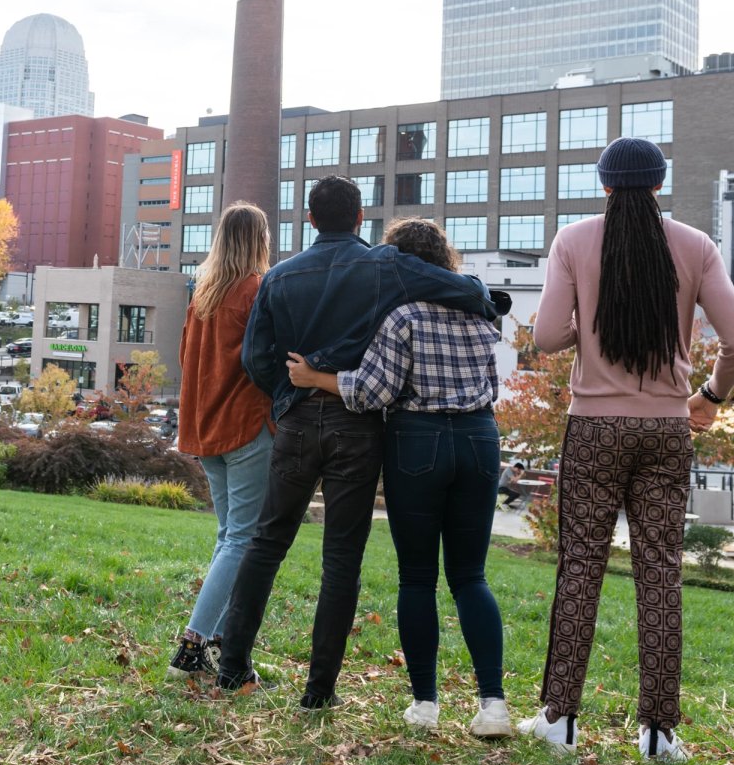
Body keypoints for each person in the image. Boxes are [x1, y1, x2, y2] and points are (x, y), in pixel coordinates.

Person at [214, 176, 508, 711]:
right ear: (360, 218)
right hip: (359, 424)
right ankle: (318, 691)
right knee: (341, 557)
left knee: (265, 543)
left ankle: (232, 665)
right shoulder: (384, 265)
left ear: (309, 220)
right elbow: (466, 291)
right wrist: (490, 301)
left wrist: (289, 394)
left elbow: (256, 360)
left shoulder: (278, 278)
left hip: (300, 420)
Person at [519, 137, 734, 762]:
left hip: (594, 430)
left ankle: (560, 719)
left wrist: (588, 326)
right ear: (658, 186)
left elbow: (544, 337)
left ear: (604, 186)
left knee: (580, 570)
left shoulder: (572, 241)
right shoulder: (696, 246)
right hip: (666, 431)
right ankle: (657, 733)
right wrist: (710, 397)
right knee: (660, 573)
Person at [285, 219, 511, 736]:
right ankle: (493, 706)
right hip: (480, 439)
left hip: (418, 440)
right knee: (471, 577)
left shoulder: (402, 316)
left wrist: (314, 377)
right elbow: (492, 385)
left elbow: (372, 391)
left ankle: (426, 705)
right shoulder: (481, 315)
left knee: (417, 578)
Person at [168, 203, 274, 679]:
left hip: (206, 429)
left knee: (228, 537)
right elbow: (268, 361)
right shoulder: (256, 291)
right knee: (241, 540)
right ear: (259, 240)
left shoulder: (202, 296)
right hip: (246, 426)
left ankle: (212, 643)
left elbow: (186, 361)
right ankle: (191, 648)